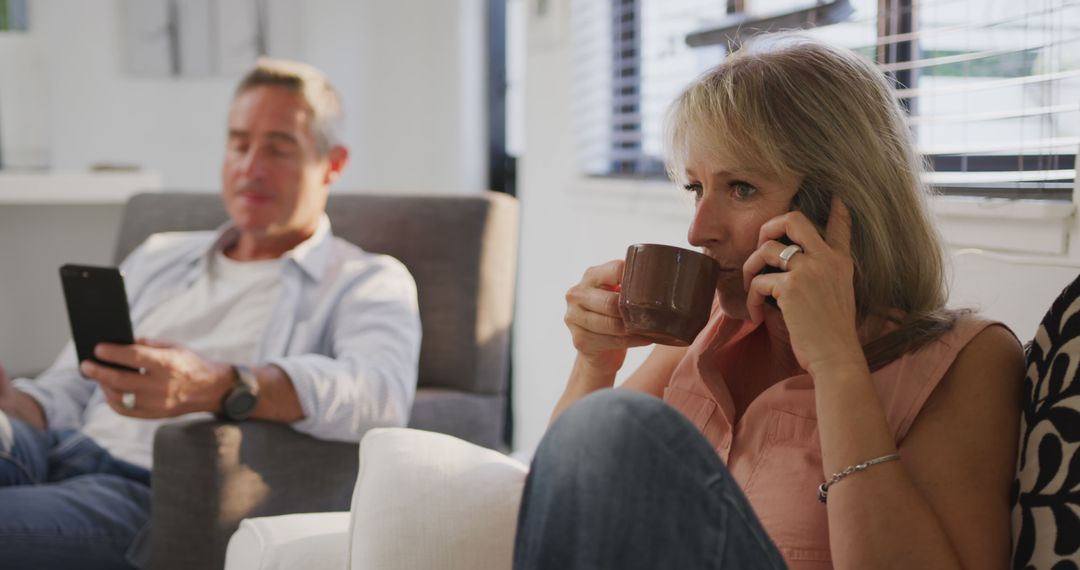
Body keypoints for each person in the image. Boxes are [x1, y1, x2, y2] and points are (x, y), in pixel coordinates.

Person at [513, 34, 1024, 570]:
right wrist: (596, 363)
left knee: (615, 422)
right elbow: (570, 518)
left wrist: (836, 363)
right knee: (606, 424)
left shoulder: (969, 361)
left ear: (840, 204)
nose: (697, 231)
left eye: (741, 188)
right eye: (695, 188)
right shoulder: (705, 332)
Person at [0, 59, 421, 569]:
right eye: (239, 143)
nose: (251, 166)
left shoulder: (367, 280)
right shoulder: (160, 254)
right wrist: (17, 402)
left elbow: (379, 394)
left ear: (332, 163)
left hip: (144, 488)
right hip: (51, 447)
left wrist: (222, 384)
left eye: (278, 148)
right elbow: (69, 387)